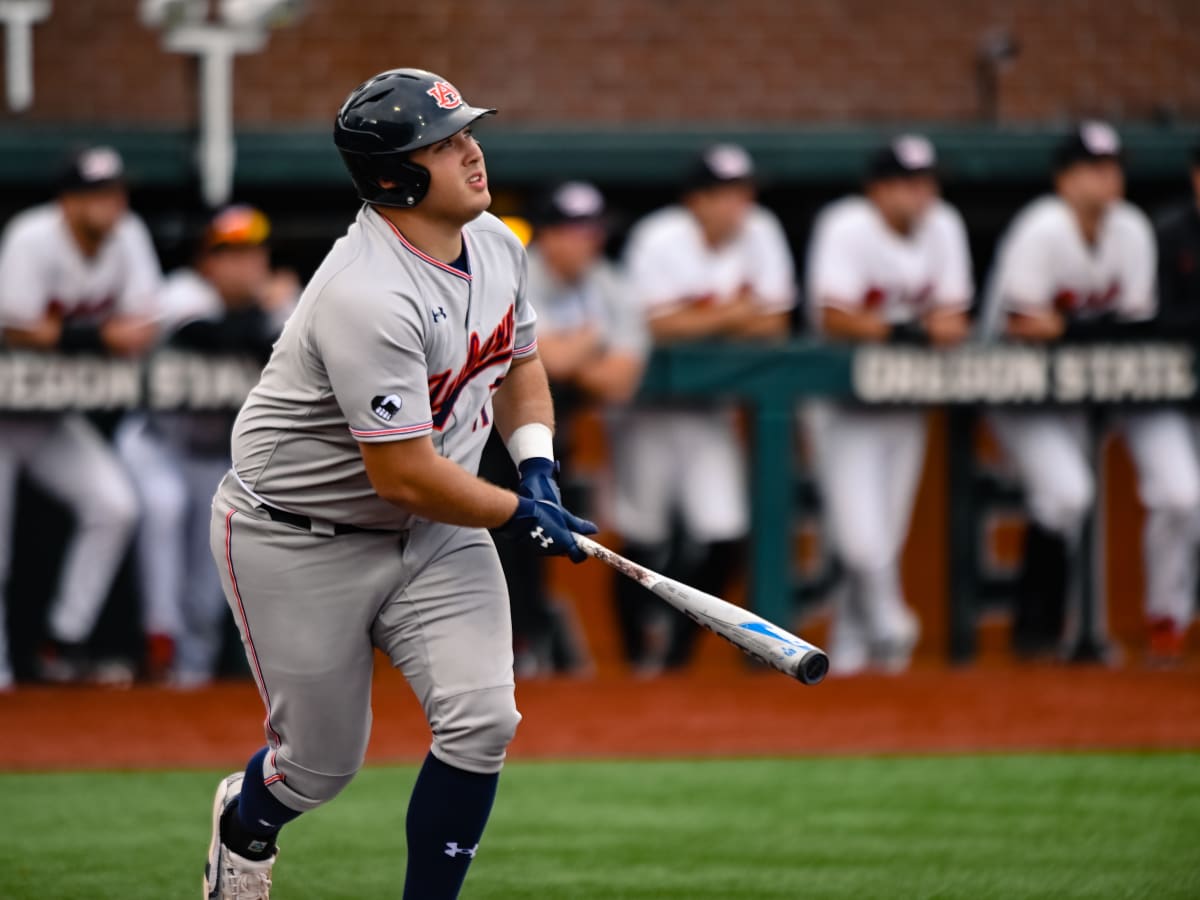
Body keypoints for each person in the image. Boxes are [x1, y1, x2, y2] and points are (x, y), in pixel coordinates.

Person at [202, 68, 596, 900]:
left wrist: (536, 465)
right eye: (444, 145)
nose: (472, 152)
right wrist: (518, 512)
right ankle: (247, 823)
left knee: (483, 721)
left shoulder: (497, 245)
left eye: (466, 133)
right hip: (297, 534)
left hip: (435, 528)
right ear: (395, 177)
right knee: (317, 768)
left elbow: (519, 362)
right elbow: (405, 473)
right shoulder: (365, 292)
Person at [980, 121, 1200, 660]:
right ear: (1065, 179)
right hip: (1019, 386)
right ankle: (1038, 631)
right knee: (1067, 495)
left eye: (1114, 166)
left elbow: (1135, 324)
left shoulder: (1131, 229)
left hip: (1100, 384)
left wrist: (1070, 328)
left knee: (1181, 496)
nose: (1109, 178)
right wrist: (1079, 330)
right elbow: (1024, 326)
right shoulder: (1041, 227)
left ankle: (1157, 623)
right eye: (1094, 168)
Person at [613, 144, 795, 674]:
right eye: (727, 193)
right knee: (643, 535)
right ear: (697, 199)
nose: (742, 203)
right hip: (648, 410)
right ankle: (631, 663)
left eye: (745, 191)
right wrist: (736, 313)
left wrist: (702, 316)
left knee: (724, 532)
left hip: (707, 412)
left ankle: (675, 654)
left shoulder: (761, 231)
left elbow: (777, 325)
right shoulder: (659, 236)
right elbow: (655, 326)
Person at [803, 134, 973, 675]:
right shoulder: (846, 224)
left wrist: (893, 330)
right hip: (840, 405)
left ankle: (852, 649)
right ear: (877, 189)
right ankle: (893, 627)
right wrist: (910, 328)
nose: (918, 195)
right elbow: (835, 318)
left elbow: (955, 323)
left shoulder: (944, 225)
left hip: (903, 401)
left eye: (925, 183)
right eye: (904, 183)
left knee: (886, 540)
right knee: (861, 543)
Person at [116, 204, 297, 686]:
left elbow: (287, 347)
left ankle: (192, 675)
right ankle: (158, 646)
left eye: (252, 253)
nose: (244, 265)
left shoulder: (283, 304)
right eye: (229, 254)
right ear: (206, 261)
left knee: (210, 566)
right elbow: (211, 335)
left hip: (217, 455)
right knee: (163, 508)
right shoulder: (182, 292)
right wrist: (263, 310)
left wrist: (267, 313)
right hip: (158, 442)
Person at [0, 146, 159, 688]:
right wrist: (95, 337)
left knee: (115, 505)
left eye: (115, 191)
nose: (110, 204)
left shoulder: (129, 234)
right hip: (4, 410)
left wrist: (77, 338)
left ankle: (62, 639)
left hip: (46, 415)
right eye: (95, 193)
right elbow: (16, 326)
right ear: (67, 201)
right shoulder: (31, 235)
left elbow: (143, 323)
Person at [478, 181, 646, 676]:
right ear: (546, 235)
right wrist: (590, 342)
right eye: (572, 230)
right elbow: (541, 358)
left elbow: (620, 380)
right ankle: (493, 657)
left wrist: (572, 352)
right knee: (487, 544)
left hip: (547, 431)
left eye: (592, 230)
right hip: (484, 430)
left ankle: (523, 653)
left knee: (537, 544)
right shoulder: (514, 270)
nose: (585, 241)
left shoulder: (609, 282)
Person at [1150, 139, 1200, 660]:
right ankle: (1165, 617)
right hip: (1157, 392)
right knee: (1181, 496)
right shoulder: (1168, 234)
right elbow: (1153, 320)